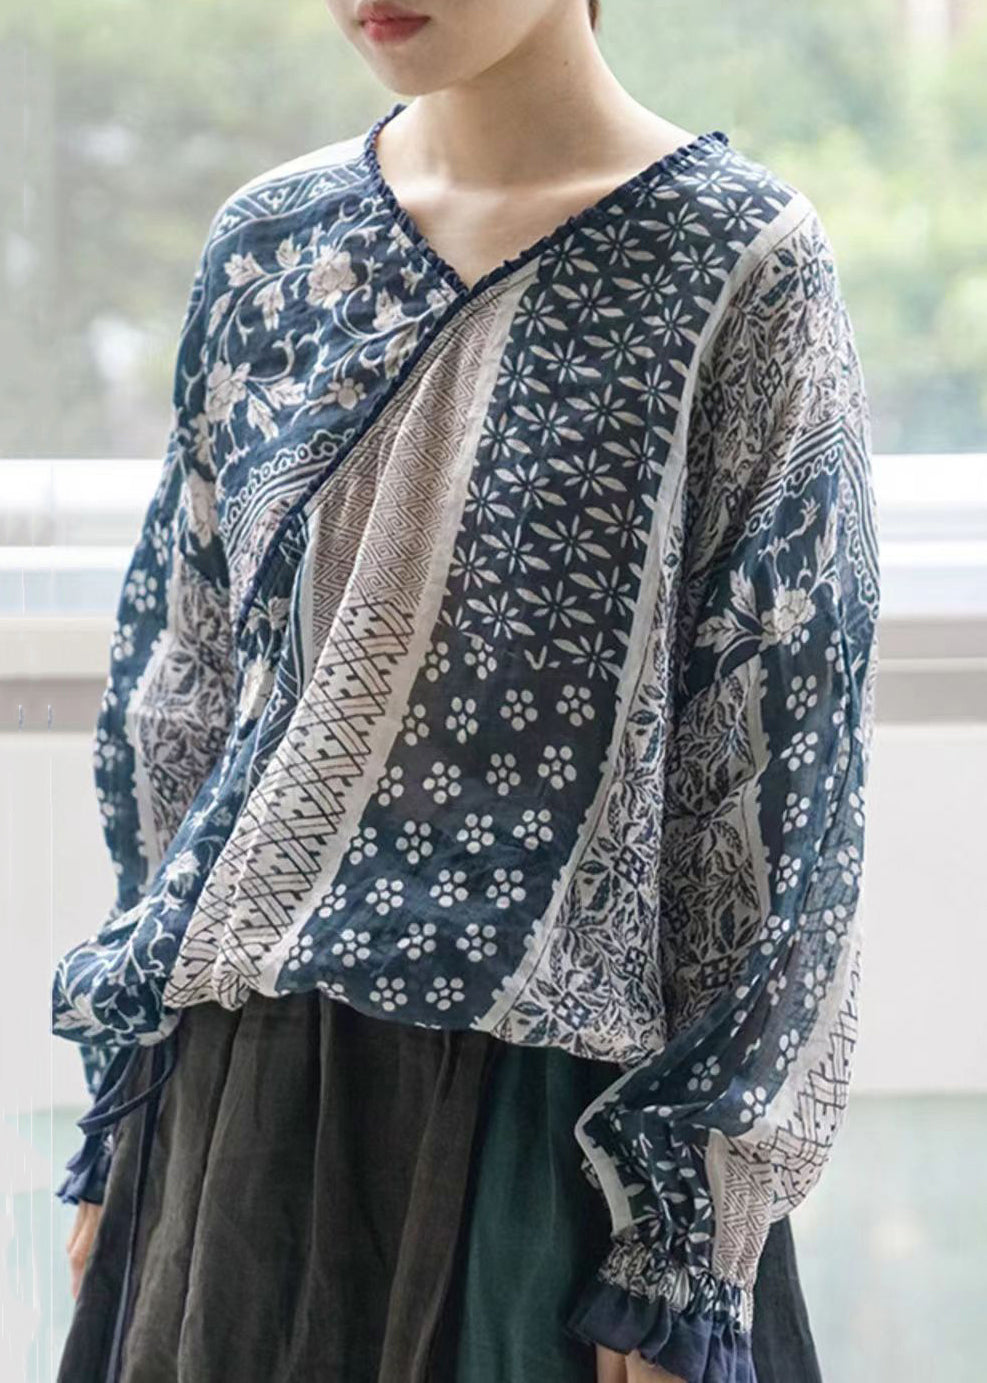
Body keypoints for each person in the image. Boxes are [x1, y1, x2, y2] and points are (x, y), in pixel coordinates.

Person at [53, 2, 880, 1381]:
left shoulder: (739, 266)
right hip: (237, 1113)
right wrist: (122, 1114)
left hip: (559, 1147)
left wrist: (680, 1251)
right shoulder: (271, 244)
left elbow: (779, 776)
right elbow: (181, 697)